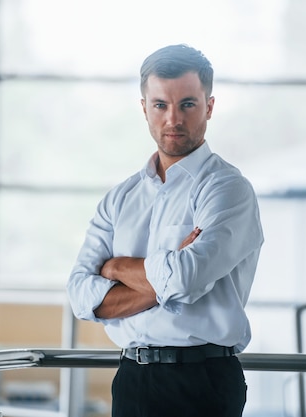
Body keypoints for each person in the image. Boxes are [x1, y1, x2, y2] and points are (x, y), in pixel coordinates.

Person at [66, 44, 264, 417]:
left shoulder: (227, 190)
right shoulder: (120, 198)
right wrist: (167, 277)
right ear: (144, 108)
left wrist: (114, 267)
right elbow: (79, 294)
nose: (173, 118)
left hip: (202, 381)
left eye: (188, 104)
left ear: (209, 106)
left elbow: (188, 277)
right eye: (160, 105)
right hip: (131, 378)